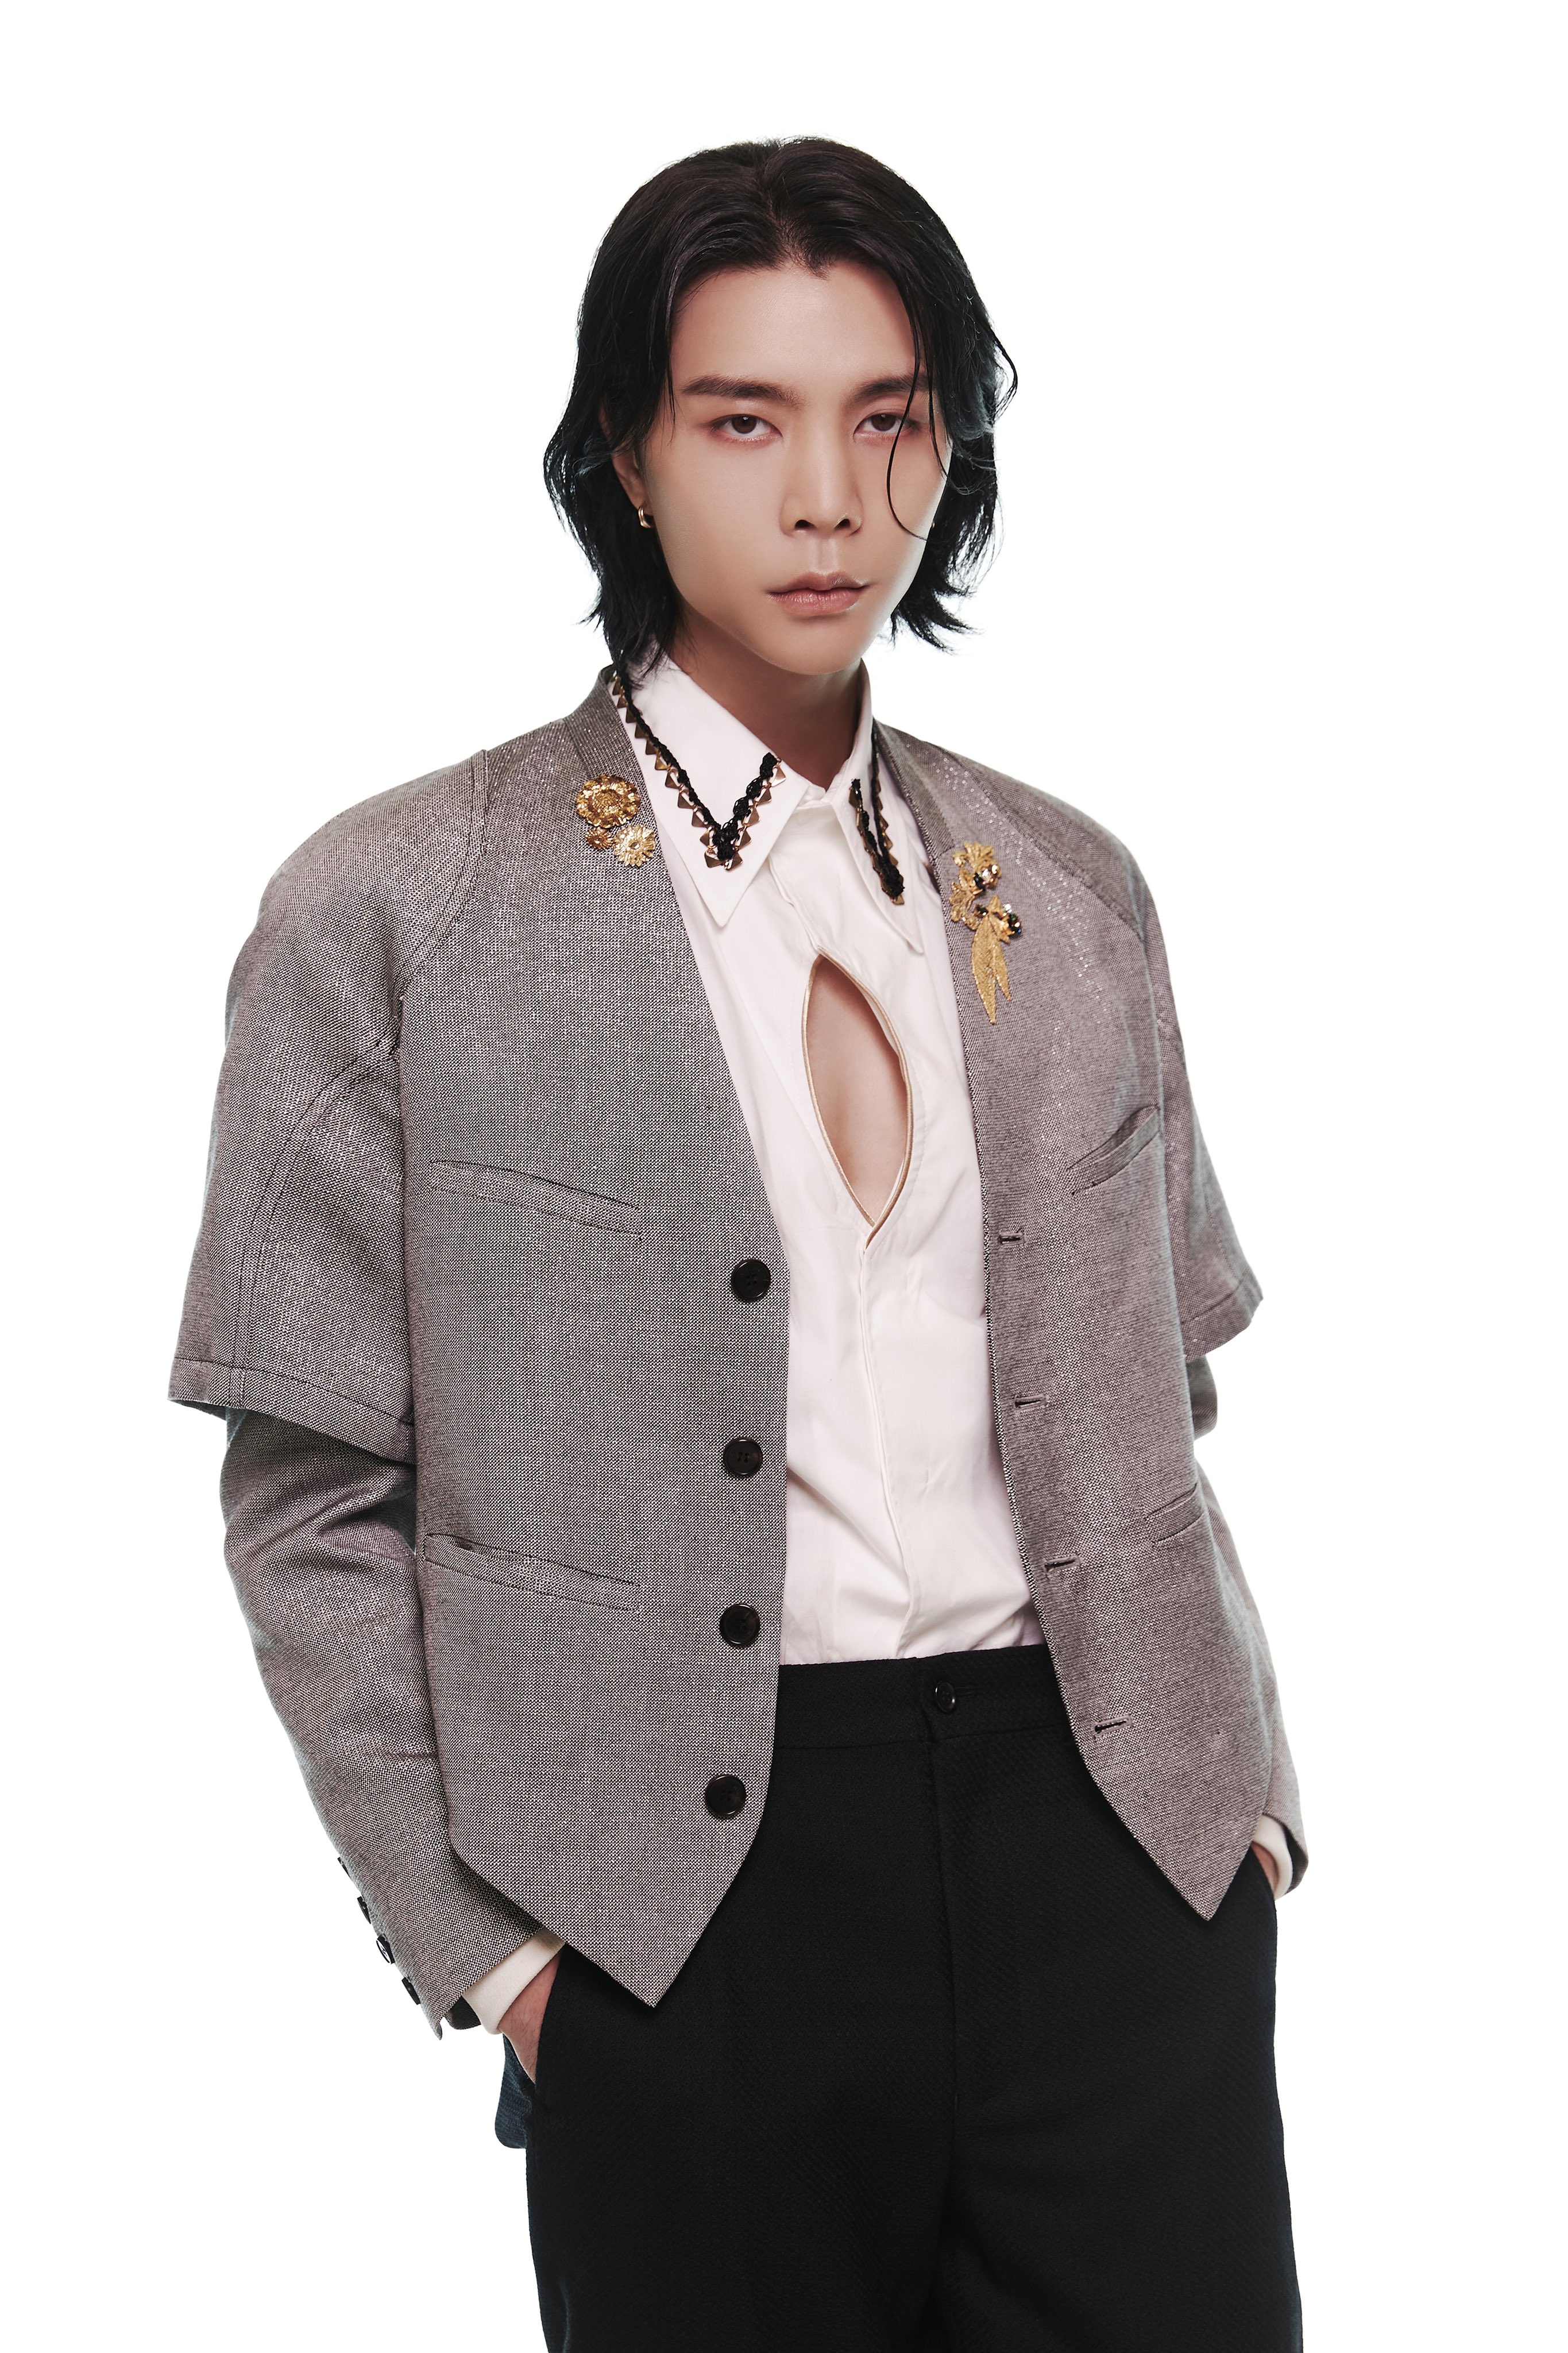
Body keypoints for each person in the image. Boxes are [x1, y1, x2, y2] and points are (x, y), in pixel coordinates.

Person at [172, 137, 1306, 2351]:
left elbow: (1158, 1400)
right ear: (626, 450)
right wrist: (502, 1956)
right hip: (685, 1907)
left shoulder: (1066, 887)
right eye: (742, 419)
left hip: (1112, 1858)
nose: (827, 501)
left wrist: (1239, 1821)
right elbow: (309, 1501)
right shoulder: (399, 906)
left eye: (888, 420)